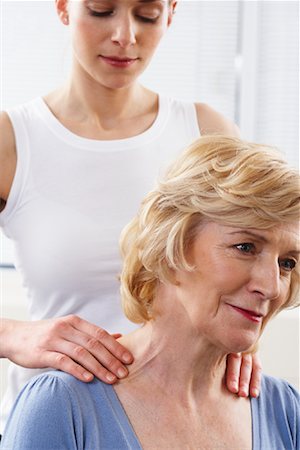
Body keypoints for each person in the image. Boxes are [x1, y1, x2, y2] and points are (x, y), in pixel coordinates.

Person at [0, 0, 260, 431]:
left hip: (186, 423)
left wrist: (241, 335)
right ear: (64, 9)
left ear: (171, 13)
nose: (126, 35)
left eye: (147, 15)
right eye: (102, 11)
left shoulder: (207, 134)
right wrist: (13, 335)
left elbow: (257, 260)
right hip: (54, 424)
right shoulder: (12, 142)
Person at [1, 135, 299, 450]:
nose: (271, 286)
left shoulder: (285, 410)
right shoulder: (61, 406)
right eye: (245, 247)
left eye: (287, 263)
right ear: (172, 249)